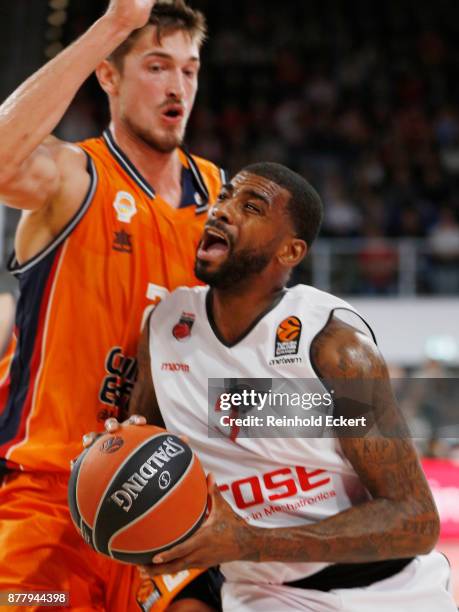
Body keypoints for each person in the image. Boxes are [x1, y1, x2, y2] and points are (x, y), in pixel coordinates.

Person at [104, 162, 455, 611]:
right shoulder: (167, 326)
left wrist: (249, 541)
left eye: (250, 207)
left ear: (289, 252)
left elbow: (416, 519)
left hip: (388, 593)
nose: (223, 211)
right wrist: (115, 455)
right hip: (262, 595)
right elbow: (151, 450)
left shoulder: (335, 347)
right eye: (225, 197)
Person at [0, 1, 226, 610]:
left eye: (189, 69)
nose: (177, 86)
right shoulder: (76, 176)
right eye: (156, 66)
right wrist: (113, 25)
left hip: (166, 496)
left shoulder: (222, 200)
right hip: (50, 499)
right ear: (110, 75)